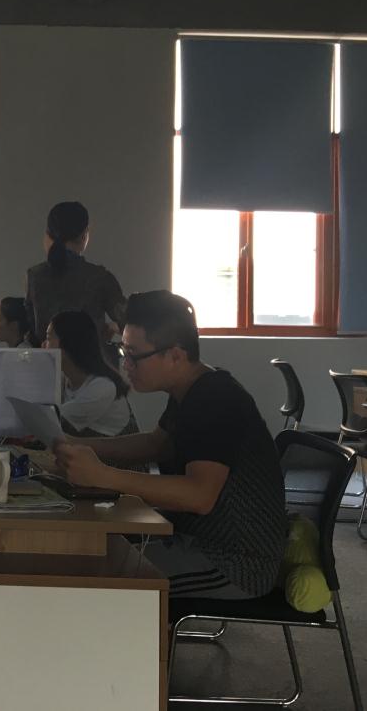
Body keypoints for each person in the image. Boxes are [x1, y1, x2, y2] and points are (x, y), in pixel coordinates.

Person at [53, 291, 286, 600]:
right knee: (90, 551)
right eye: (123, 351)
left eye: (134, 355)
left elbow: (199, 495)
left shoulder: (215, 399)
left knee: (96, 583)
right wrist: (73, 444)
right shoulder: (191, 390)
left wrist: (102, 475)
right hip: (192, 536)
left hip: (233, 561)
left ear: (175, 355)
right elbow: (154, 444)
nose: (126, 365)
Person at [25, 201, 126, 349]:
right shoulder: (100, 277)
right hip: (90, 360)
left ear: (48, 235)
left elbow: (29, 329)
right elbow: (129, 322)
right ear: (84, 236)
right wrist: (112, 327)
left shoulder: (34, 276)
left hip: (49, 360)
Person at [44, 310, 138, 438]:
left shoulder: (102, 387)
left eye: (48, 339)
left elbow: (50, 421)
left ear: (68, 344)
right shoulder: (63, 378)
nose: (44, 346)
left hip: (113, 449)